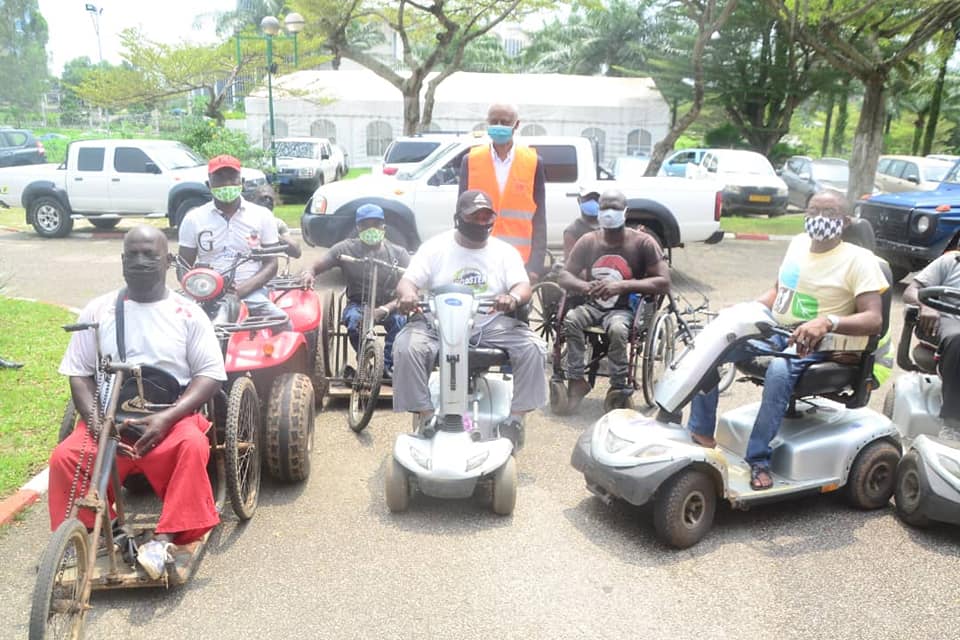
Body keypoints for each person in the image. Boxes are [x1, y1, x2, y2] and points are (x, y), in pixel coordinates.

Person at [49, 225, 226, 580]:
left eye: (151, 255)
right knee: (66, 457)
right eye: (134, 255)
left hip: (169, 420)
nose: (142, 262)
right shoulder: (98, 310)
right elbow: (78, 374)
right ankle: (96, 531)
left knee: (192, 445)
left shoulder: (188, 314)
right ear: (122, 260)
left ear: (167, 261)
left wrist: (169, 418)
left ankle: (165, 540)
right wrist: (98, 425)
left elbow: (209, 375)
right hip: (113, 421)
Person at [687, 192, 888, 490]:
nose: (820, 218)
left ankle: (758, 460)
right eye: (813, 210)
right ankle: (701, 434)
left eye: (829, 212)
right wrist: (745, 310)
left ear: (845, 222)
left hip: (820, 343)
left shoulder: (860, 261)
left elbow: (874, 319)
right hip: (777, 331)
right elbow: (778, 292)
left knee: (779, 371)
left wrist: (827, 321)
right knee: (713, 343)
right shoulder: (796, 244)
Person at [392, 189, 547, 449]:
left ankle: (516, 419)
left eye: (486, 216)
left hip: (489, 324)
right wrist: (408, 295)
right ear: (459, 218)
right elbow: (407, 282)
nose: (481, 222)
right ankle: (426, 415)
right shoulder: (435, 247)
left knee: (534, 347)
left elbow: (522, 286)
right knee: (406, 347)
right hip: (438, 324)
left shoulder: (504, 252)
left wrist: (512, 298)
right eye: (474, 217)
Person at [557, 189, 671, 412]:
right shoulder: (588, 241)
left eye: (615, 208)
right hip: (592, 304)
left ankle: (618, 386)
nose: (609, 213)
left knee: (618, 329)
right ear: (598, 213)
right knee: (570, 320)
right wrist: (584, 286)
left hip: (624, 308)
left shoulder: (643, 243)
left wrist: (621, 285)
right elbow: (564, 275)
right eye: (605, 208)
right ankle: (576, 379)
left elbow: (664, 282)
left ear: (625, 212)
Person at [300, 203, 410, 376]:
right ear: (358, 228)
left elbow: (411, 289)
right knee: (353, 322)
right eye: (366, 225)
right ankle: (365, 361)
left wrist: (383, 310)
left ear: (384, 227)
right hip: (359, 303)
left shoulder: (399, 254)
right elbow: (319, 264)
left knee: (400, 323)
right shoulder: (346, 248)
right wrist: (309, 272)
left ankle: (387, 366)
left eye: (376, 224)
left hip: (389, 304)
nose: (371, 229)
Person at [177, 155, 287, 322]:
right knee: (173, 324)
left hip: (252, 292)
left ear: (241, 182)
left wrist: (238, 292)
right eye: (219, 178)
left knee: (282, 322)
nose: (226, 183)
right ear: (209, 184)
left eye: (232, 177)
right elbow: (183, 266)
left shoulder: (262, 216)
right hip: (205, 293)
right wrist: (203, 288)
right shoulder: (193, 219)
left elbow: (271, 265)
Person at [458, 103, 547, 281]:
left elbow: (539, 217)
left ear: (516, 124)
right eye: (494, 121)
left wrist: (535, 266)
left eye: (504, 122)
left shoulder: (533, 162)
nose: (498, 126)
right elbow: (460, 212)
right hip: (477, 254)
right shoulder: (471, 161)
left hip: (519, 260)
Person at [903, 251, 960, 429]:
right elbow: (911, 291)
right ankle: (953, 422)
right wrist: (924, 306)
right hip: (949, 321)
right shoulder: (950, 262)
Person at [250, 183, 302, 259]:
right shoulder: (244, 220)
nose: (267, 201)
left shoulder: (278, 224)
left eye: (270, 199)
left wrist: (274, 235)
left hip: (269, 264)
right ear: (253, 200)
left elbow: (296, 252)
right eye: (263, 198)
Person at [563, 188, 600, 261]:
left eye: (596, 199)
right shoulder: (572, 231)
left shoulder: (608, 227)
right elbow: (571, 263)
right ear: (579, 201)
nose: (592, 202)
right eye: (588, 199)